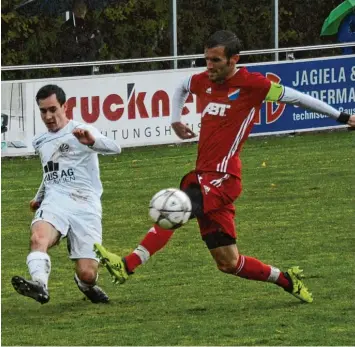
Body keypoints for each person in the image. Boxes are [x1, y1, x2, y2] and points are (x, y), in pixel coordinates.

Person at [94, 30, 355, 302]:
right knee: (228, 262)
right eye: (206, 59)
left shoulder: (253, 85)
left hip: (224, 177)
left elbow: (298, 97)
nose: (209, 66)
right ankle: (286, 279)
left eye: (216, 60)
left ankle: (127, 265)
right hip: (204, 175)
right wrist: (175, 119)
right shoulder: (203, 81)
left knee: (176, 207)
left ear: (234, 60)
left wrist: (343, 116)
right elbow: (182, 86)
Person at [11, 84, 121, 304]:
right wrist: (40, 196)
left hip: (85, 204)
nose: (48, 116)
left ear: (65, 106)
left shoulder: (82, 130)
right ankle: (40, 285)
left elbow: (115, 148)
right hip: (56, 201)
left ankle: (84, 285)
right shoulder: (40, 142)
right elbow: (50, 170)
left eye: (53, 109)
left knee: (88, 273)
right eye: (43, 111)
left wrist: (93, 142)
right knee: (38, 238)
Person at [57, 0, 103, 76]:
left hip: (87, 65)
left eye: (83, 9)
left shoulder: (89, 25)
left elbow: (97, 43)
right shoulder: (68, 27)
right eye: (80, 9)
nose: (83, 12)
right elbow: (68, 47)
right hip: (71, 66)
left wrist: (90, 40)